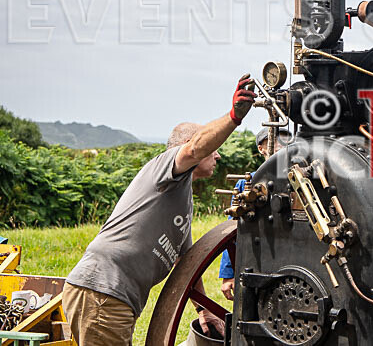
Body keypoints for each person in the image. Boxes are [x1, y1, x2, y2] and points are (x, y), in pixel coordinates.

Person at [62, 74, 256, 345]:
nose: (218, 154)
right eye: (213, 148)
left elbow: (185, 262)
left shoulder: (182, 198)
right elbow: (195, 149)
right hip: (102, 291)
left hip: (113, 297)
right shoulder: (164, 169)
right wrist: (234, 117)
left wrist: (204, 311)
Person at [218, 127, 289, 300]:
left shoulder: (299, 183)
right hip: (256, 260)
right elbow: (232, 232)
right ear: (261, 148)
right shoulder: (245, 186)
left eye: (285, 140)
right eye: (274, 139)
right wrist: (228, 274)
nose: (280, 144)